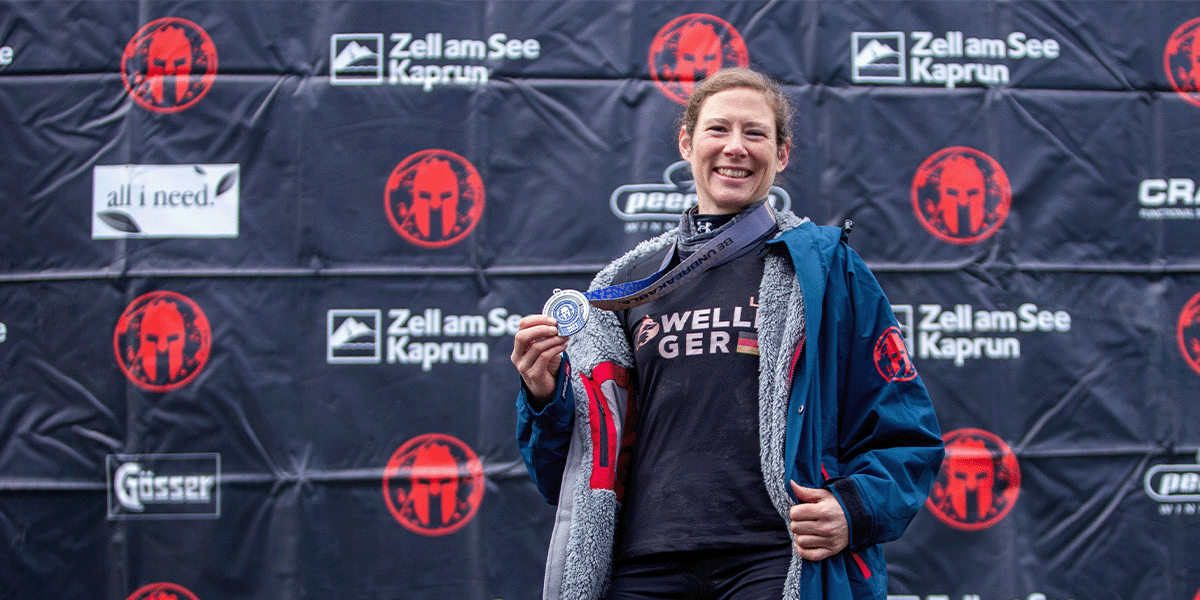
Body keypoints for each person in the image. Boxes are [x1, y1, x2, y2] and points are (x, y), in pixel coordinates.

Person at [511, 67, 944, 600]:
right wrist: (545, 396)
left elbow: (907, 433)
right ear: (686, 143)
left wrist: (854, 508)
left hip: (774, 558)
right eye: (718, 129)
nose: (735, 147)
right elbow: (572, 477)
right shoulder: (623, 288)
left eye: (755, 133)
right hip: (645, 563)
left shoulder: (825, 270)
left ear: (781, 155)